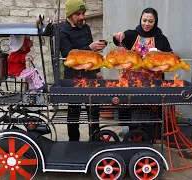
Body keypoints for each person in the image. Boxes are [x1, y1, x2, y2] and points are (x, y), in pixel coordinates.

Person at [113, 7, 173, 139]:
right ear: (140, 19)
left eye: (150, 21)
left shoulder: (161, 38)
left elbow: (170, 57)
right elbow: (118, 41)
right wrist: (118, 36)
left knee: (148, 115)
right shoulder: (132, 34)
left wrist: (162, 57)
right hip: (130, 82)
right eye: (144, 20)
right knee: (130, 112)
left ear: (155, 22)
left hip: (152, 84)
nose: (146, 24)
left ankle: (147, 141)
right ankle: (132, 138)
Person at [60, 0, 107, 141]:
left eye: (83, 13)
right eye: (78, 14)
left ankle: (95, 140)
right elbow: (68, 55)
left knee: (94, 110)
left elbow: (92, 55)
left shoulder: (85, 28)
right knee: (74, 112)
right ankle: (74, 143)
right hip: (73, 77)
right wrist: (90, 48)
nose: (82, 17)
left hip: (90, 74)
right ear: (69, 15)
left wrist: (97, 69)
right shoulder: (62, 31)